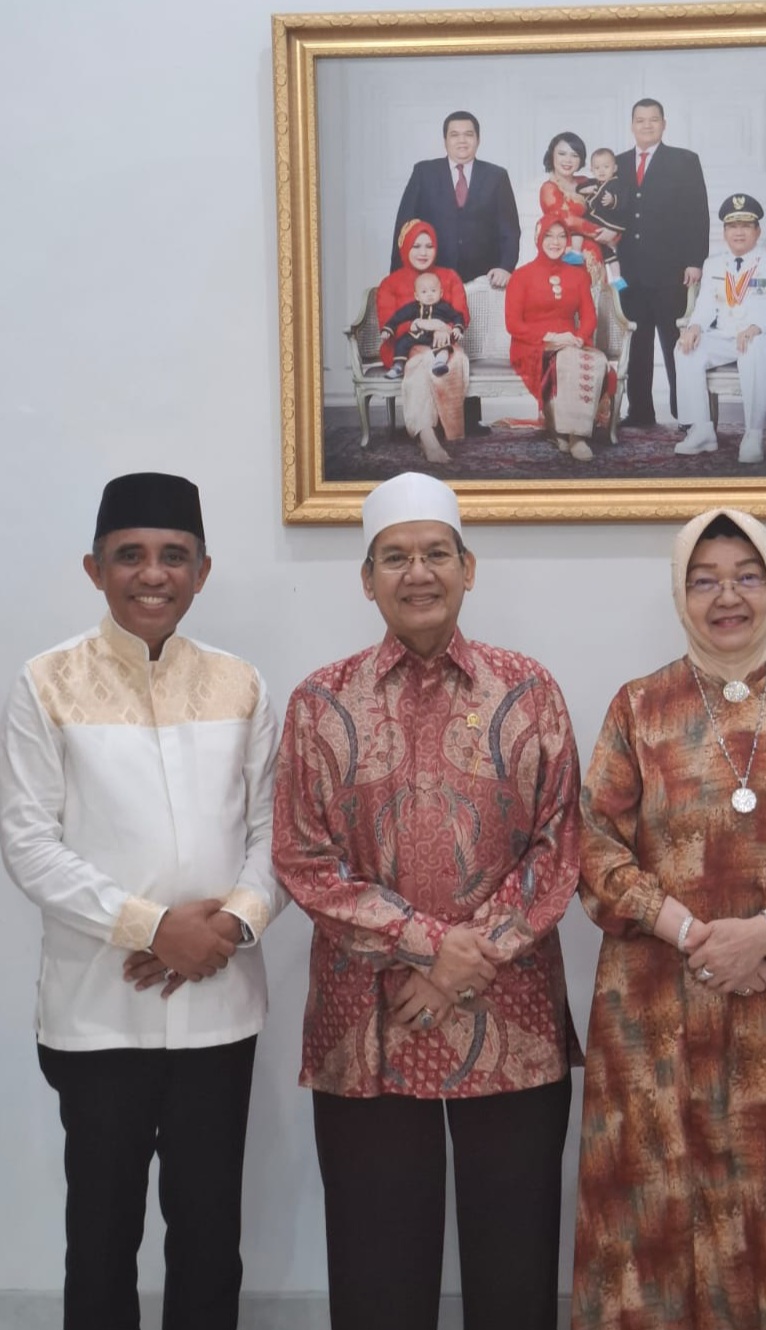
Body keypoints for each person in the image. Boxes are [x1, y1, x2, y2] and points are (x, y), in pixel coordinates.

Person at [272, 472, 581, 1330]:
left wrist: (461, 964)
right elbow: (302, 858)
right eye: (395, 557)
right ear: (366, 578)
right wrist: (429, 945)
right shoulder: (320, 702)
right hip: (369, 1023)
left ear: (468, 569)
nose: (418, 573)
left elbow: (561, 844)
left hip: (510, 1015)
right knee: (377, 1277)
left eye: (436, 554)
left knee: (515, 1274)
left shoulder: (528, 690)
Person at [572, 507, 766, 1329]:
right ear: (680, 594)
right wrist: (691, 933)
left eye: (747, 576)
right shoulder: (640, 707)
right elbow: (594, 846)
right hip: (659, 1004)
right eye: (705, 579)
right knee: (660, 1204)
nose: (728, 597)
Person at [0, 472, 285, 1330]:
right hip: (98, 1014)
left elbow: (277, 832)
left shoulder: (241, 684)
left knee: (209, 1235)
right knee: (100, 1235)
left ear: (202, 571)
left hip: (218, 1010)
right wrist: (154, 929)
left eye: (173, 555)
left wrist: (229, 925)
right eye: (130, 555)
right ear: (94, 569)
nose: (152, 574)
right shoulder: (45, 682)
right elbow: (28, 843)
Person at [391, 110, 521, 435]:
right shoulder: (425, 172)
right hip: (432, 278)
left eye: (469, 134)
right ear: (445, 140)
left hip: (480, 276)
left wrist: (506, 266)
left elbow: (509, 228)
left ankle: (468, 419)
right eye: (455, 134)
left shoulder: (496, 176)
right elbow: (405, 224)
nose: (462, 140)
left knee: (469, 343)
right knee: (431, 343)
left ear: (478, 139)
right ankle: (430, 419)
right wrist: (400, 276)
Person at [675, 193, 766, 464]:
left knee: (752, 347)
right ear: (724, 232)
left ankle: (753, 434)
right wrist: (695, 326)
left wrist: (757, 327)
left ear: (757, 231)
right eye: (732, 226)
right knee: (685, 347)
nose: (738, 232)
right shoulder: (713, 264)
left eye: (745, 226)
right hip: (728, 337)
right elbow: (705, 306)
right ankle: (701, 430)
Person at [613, 97, 709, 427]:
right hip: (629, 271)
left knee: (674, 342)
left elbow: (698, 214)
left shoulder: (684, 161)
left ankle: (686, 414)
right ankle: (640, 412)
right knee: (638, 343)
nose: (647, 125)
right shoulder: (617, 164)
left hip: (672, 271)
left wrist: (695, 261)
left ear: (664, 124)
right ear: (632, 125)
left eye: (653, 120)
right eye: (640, 120)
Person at [505, 216, 616, 463]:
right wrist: (550, 338)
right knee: (567, 360)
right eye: (549, 235)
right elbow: (513, 324)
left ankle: (574, 436)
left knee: (594, 361)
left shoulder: (578, 276)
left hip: (570, 342)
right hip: (533, 345)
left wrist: (579, 337)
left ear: (567, 241)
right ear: (538, 238)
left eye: (561, 236)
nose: (555, 242)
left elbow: (589, 316)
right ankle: (568, 433)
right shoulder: (521, 276)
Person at [376, 219, 471, 464]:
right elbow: (388, 322)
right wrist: (421, 324)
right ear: (404, 247)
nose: (423, 252)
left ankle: (450, 431)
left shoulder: (449, 276)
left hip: (444, 344)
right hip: (405, 347)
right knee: (422, 362)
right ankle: (427, 437)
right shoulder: (390, 283)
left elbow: (461, 315)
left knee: (454, 360)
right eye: (416, 246)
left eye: (429, 246)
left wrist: (445, 329)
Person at [538, 131, 619, 288]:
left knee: (596, 298)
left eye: (574, 155)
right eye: (562, 154)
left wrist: (615, 230)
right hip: (565, 253)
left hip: (597, 254)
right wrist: (602, 232)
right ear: (552, 155)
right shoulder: (549, 188)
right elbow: (567, 220)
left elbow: (611, 207)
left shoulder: (587, 181)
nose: (568, 160)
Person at [380, 268, 466, 379]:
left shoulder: (444, 307)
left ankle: (439, 363)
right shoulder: (413, 307)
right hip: (417, 335)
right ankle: (398, 366)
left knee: (444, 345)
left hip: (435, 336)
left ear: (441, 293)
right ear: (417, 296)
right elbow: (398, 317)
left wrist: (457, 328)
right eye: (424, 292)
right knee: (402, 342)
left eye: (433, 291)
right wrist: (387, 329)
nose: (429, 295)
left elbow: (457, 316)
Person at [578, 147, 626, 289]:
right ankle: (617, 279)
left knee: (610, 250)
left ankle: (617, 278)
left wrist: (612, 200)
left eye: (606, 167)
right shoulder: (593, 183)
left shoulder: (617, 184)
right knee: (607, 252)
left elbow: (624, 201)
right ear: (592, 170)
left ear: (614, 168)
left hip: (608, 222)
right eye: (597, 168)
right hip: (595, 222)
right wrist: (584, 190)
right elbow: (579, 188)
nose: (601, 171)